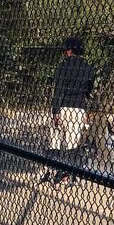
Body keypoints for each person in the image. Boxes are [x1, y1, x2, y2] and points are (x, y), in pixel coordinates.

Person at [44, 37, 96, 183]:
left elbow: (58, 90)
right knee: (72, 143)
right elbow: (88, 91)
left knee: (55, 140)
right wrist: (85, 111)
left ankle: (54, 171)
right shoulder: (88, 68)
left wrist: (55, 111)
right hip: (78, 108)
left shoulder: (63, 66)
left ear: (69, 50)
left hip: (63, 106)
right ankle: (68, 174)